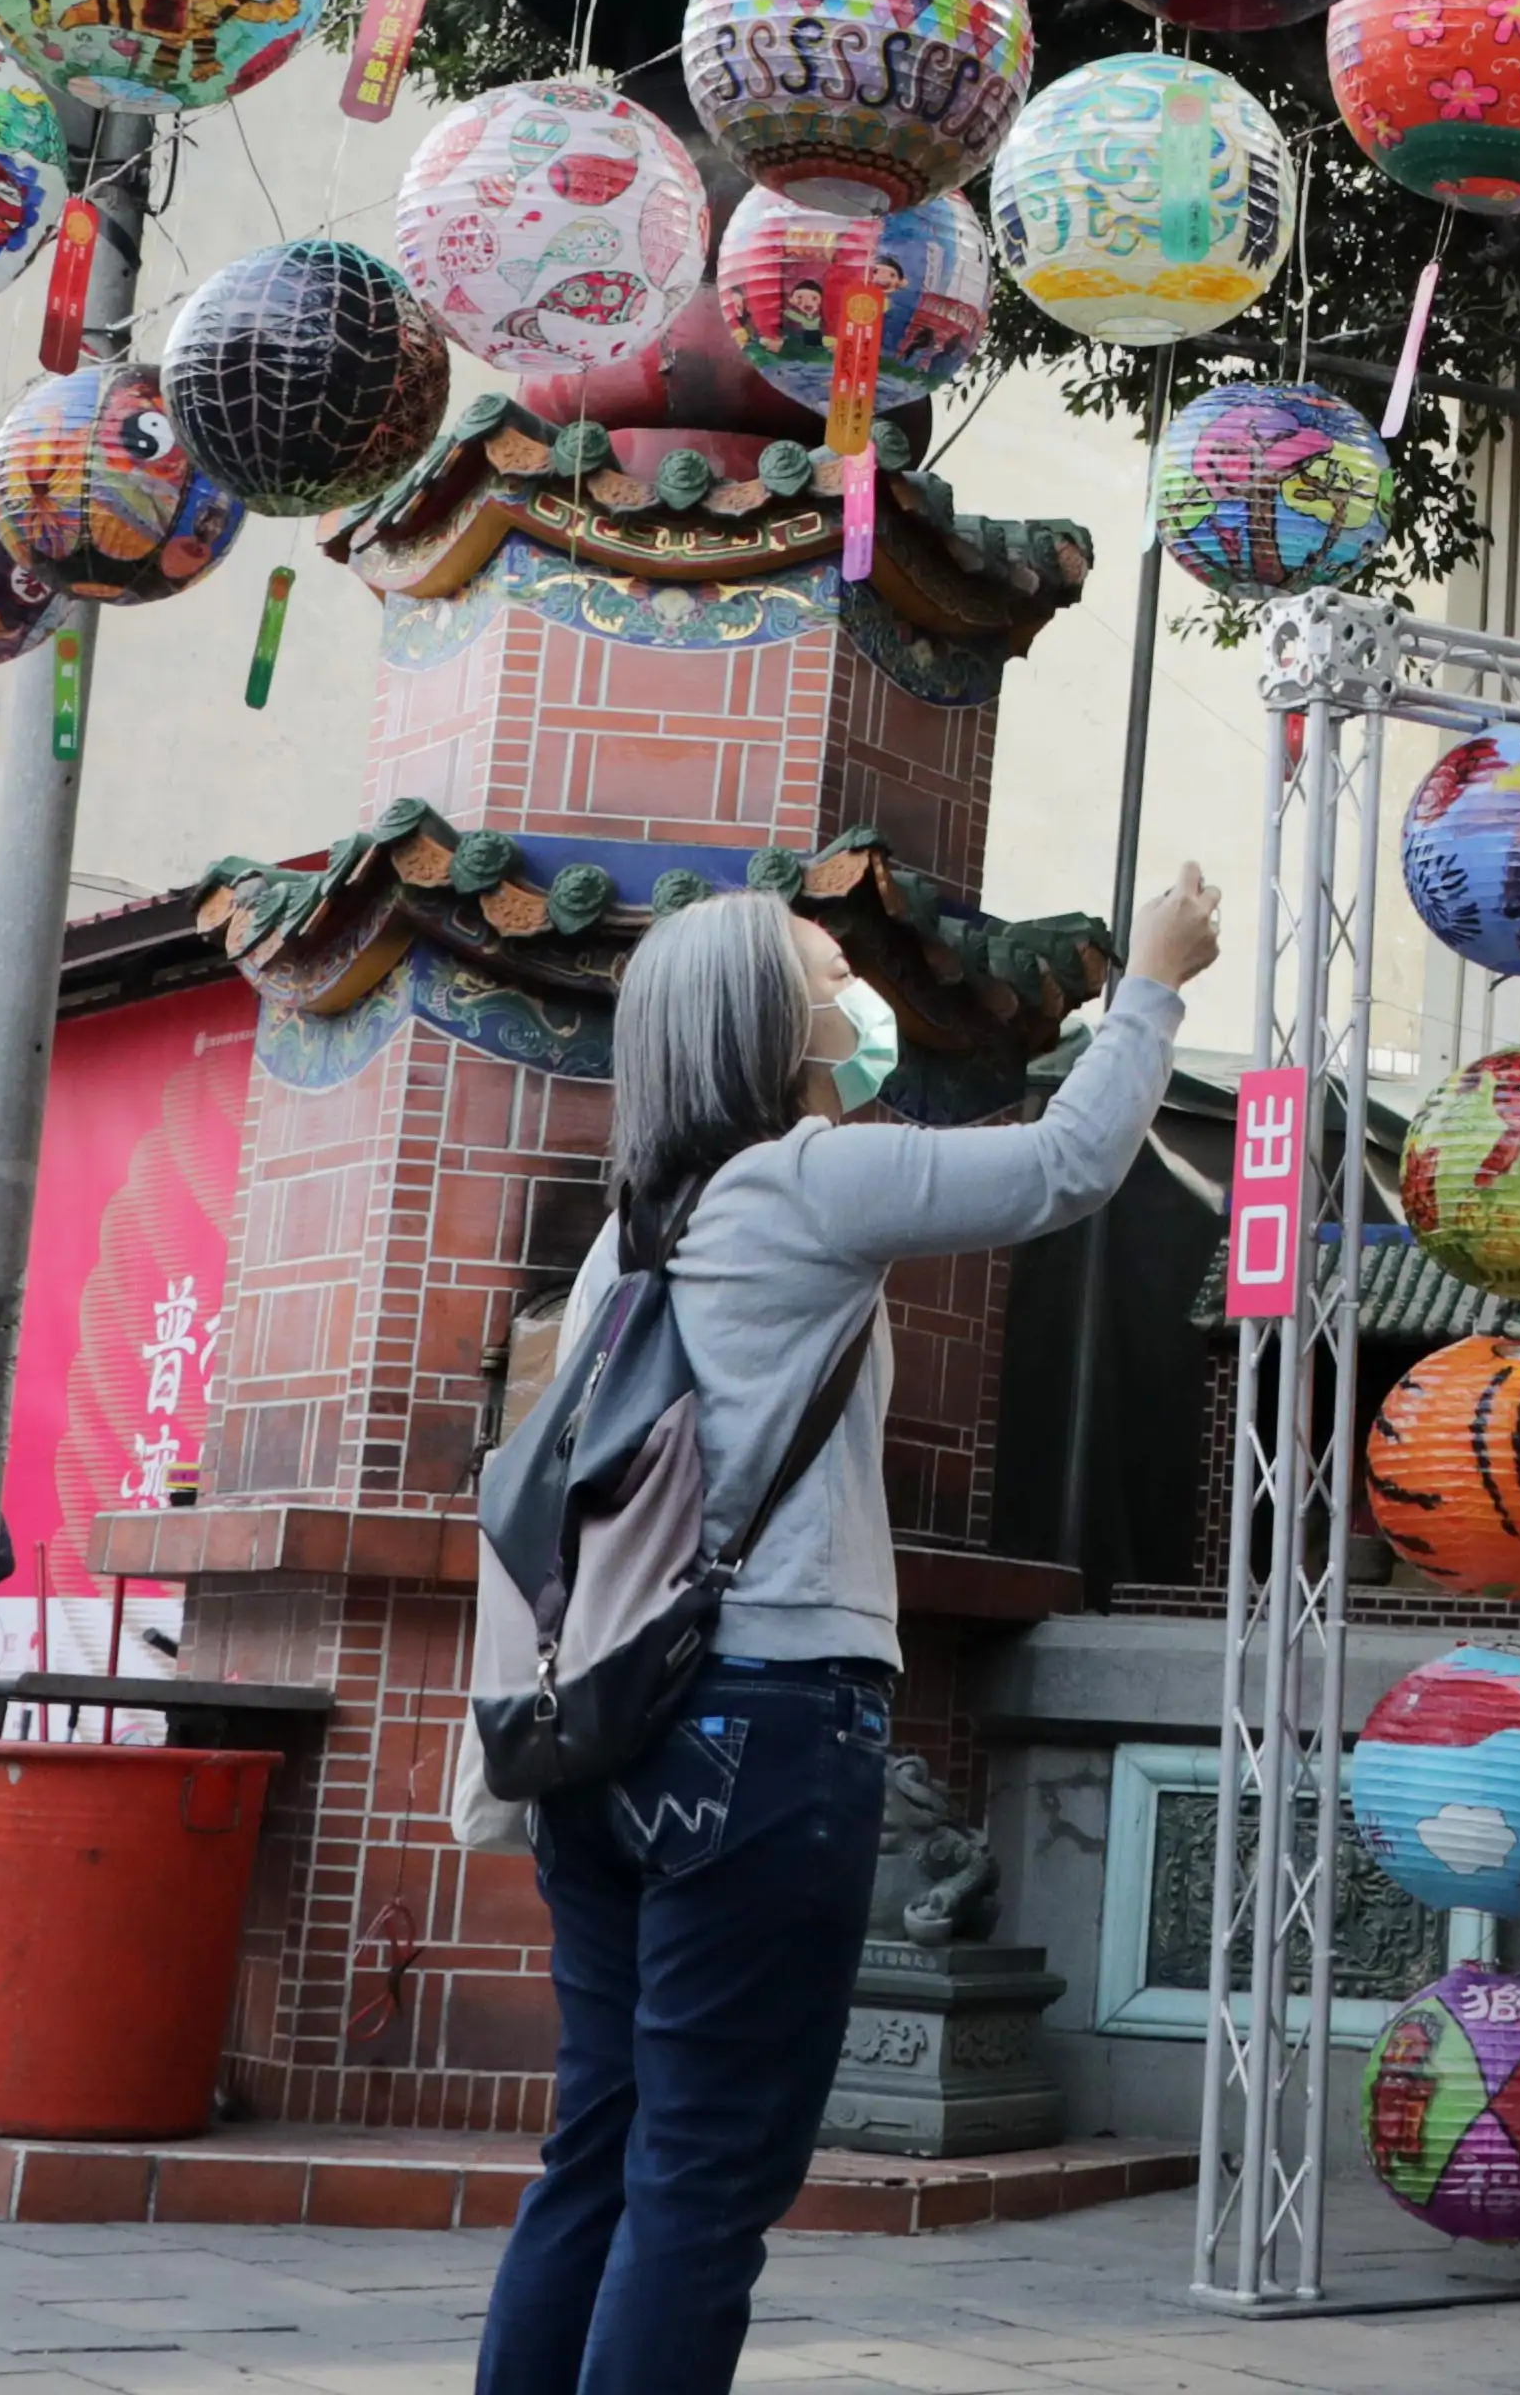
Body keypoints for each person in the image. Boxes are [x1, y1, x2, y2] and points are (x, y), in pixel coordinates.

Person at [474, 861, 1214, 2395]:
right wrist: (1151, 980)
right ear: (767, 1021)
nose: (852, 988)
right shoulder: (800, 1181)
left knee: (601, 2150)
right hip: (764, 1729)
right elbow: (1070, 1164)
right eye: (824, 966)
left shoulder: (631, 1238)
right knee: (706, 2179)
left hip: (604, 1736)